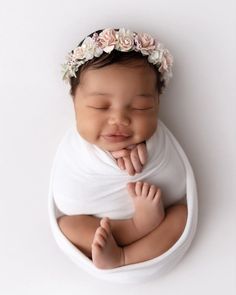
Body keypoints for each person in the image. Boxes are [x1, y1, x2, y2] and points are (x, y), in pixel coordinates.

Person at [55, 27, 188, 269]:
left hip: (159, 220)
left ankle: (124, 257)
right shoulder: (77, 150)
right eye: (99, 106)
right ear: (74, 101)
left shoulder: (156, 141)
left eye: (140, 107)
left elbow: (175, 180)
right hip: (96, 223)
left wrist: (149, 150)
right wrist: (105, 158)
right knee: (67, 225)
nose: (119, 119)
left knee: (181, 217)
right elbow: (67, 200)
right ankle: (137, 227)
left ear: (157, 104)